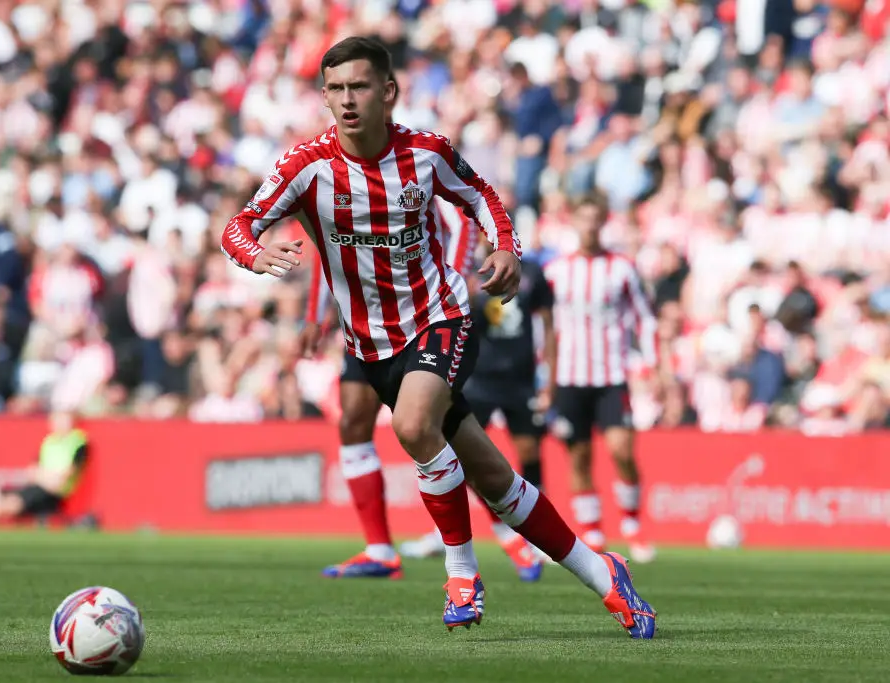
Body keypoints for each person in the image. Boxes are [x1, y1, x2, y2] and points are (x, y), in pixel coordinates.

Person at [221, 37, 655, 637]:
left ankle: (461, 572)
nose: (348, 100)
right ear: (324, 96)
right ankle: (605, 574)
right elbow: (238, 225)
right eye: (336, 89)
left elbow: (482, 196)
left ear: (388, 92)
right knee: (495, 480)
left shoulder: (426, 153)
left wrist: (507, 247)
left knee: (412, 425)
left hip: (440, 318)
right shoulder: (305, 166)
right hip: (371, 346)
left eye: (359, 86)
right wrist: (255, 253)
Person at [301, 78, 542, 583]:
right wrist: (314, 315)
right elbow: (331, 250)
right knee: (354, 421)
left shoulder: (421, 163)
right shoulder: (332, 172)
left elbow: (464, 222)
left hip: (426, 313)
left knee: (440, 430)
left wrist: (455, 279)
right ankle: (380, 549)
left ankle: (507, 537)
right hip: (367, 322)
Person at [399, 253, 556, 579]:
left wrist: (549, 380)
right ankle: (444, 532)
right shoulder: (466, 268)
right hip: (479, 376)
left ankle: (539, 535)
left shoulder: (532, 271)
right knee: (454, 455)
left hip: (521, 378)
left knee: (529, 452)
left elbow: (548, 325)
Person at [544, 194, 657, 563]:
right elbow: (544, 326)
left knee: (622, 450)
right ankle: (592, 534)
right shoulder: (556, 272)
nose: (590, 226)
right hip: (569, 377)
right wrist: (543, 374)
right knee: (579, 456)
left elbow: (645, 318)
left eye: (596, 218)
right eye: (584, 218)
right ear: (574, 222)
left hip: (611, 376)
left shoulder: (622, 268)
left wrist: (650, 365)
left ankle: (632, 525)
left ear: (604, 222)